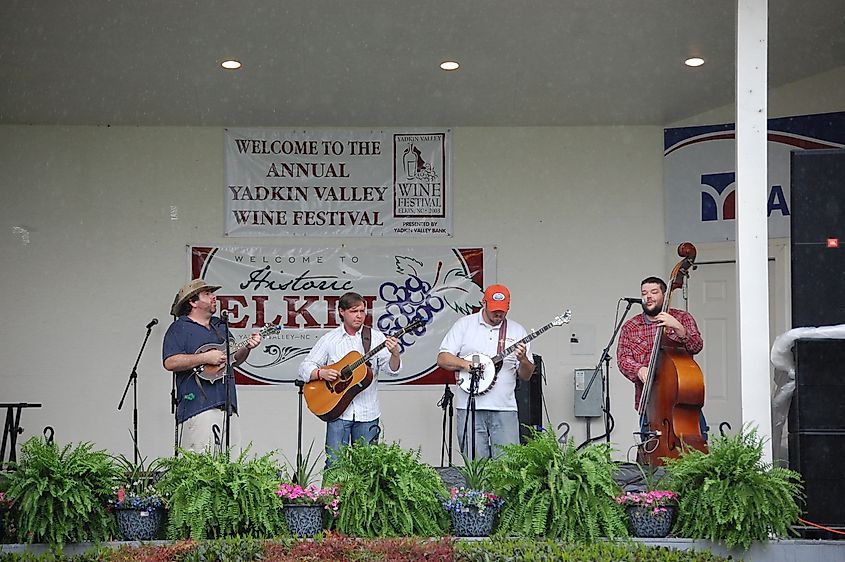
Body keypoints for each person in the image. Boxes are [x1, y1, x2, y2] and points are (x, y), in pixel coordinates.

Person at [298, 292, 402, 466]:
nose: (359, 316)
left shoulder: (376, 338)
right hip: (338, 412)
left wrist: (395, 354)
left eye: (362, 311)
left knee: (366, 467)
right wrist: (320, 373)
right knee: (335, 464)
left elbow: (392, 370)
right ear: (341, 312)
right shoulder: (330, 339)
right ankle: (331, 495)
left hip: (368, 412)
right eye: (354, 311)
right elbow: (304, 367)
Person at [162, 279, 262, 453]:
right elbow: (170, 362)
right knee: (201, 462)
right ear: (192, 302)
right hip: (197, 407)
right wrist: (205, 357)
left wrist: (247, 347)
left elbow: (234, 360)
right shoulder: (179, 328)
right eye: (207, 294)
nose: (213, 297)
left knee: (231, 463)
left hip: (227, 404)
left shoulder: (219, 326)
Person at [436, 284, 534, 459]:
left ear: (509, 307)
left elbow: (526, 375)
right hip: (469, 407)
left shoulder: (517, 330)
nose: (498, 314)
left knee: (508, 467)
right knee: (475, 468)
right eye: (494, 310)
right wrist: (465, 364)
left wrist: (523, 359)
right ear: (484, 303)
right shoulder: (465, 324)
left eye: (502, 311)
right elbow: (442, 358)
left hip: (505, 408)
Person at [616, 276, 706, 437]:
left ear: (665, 295)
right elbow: (623, 358)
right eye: (644, 293)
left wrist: (678, 327)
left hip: (683, 402)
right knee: (650, 454)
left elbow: (697, 346)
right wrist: (639, 369)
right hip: (650, 404)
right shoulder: (630, 326)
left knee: (694, 451)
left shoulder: (683, 318)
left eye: (654, 292)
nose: (648, 296)